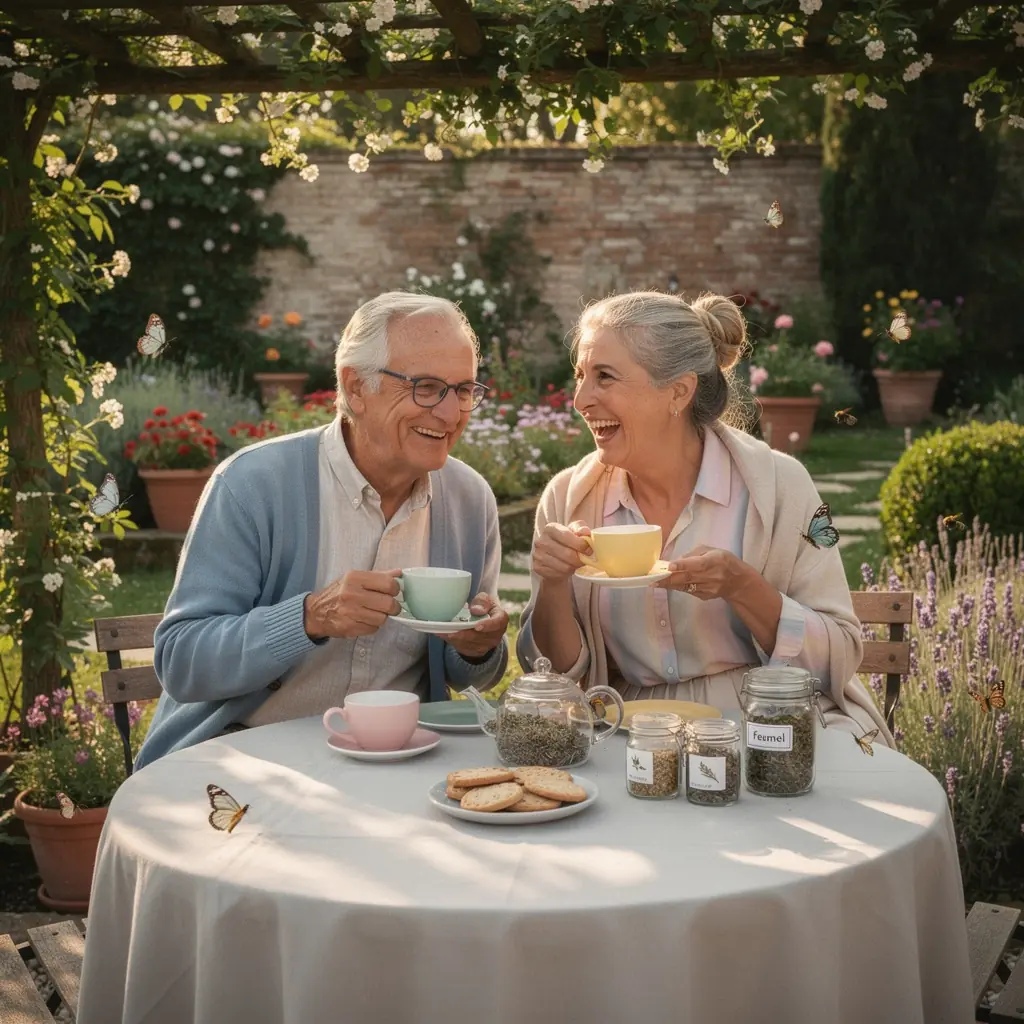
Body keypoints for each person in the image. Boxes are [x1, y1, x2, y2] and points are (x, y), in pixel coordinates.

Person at [136, 292, 510, 769]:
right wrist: (309, 618)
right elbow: (181, 662)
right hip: (242, 760)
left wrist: (479, 647)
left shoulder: (469, 499)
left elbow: (472, 676)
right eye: (427, 387)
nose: (450, 413)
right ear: (356, 388)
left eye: (463, 390)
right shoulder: (253, 484)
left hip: (396, 765)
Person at [517, 290, 890, 743]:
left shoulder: (780, 486)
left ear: (678, 391)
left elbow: (840, 652)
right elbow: (559, 676)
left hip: (772, 722)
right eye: (580, 375)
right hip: (634, 735)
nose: (580, 400)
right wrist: (554, 583)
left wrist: (743, 588)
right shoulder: (568, 499)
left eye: (605, 377)